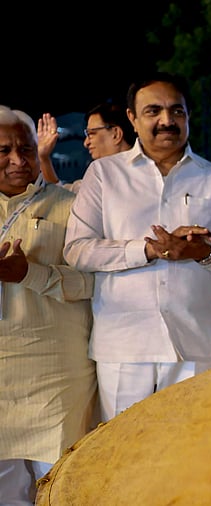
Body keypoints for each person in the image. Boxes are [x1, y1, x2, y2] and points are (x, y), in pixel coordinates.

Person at [63, 72, 211, 422]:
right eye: (153, 111)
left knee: (191, 450)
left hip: (196, 343)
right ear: (132, 119)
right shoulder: (104, 175)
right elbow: (77, 251)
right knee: (120, 453)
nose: (167, 121)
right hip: (125, 343)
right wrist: (148, 250)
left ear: (187, 116)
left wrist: (201, 253)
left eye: (176, 111)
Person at [0, 106, 96, 504]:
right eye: (4, 150)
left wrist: (30, 274)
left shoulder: (74, 206)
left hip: (57, 374)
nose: (18, 160)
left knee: (63, 485)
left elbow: (96, 282)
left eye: (25, 148)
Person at [37, 102, 135, 192]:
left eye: (91, 133)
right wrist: (43, 157)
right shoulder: (95, 181)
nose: (86, 143)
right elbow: (62, 197)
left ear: (116, 134)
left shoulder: (144, 174)